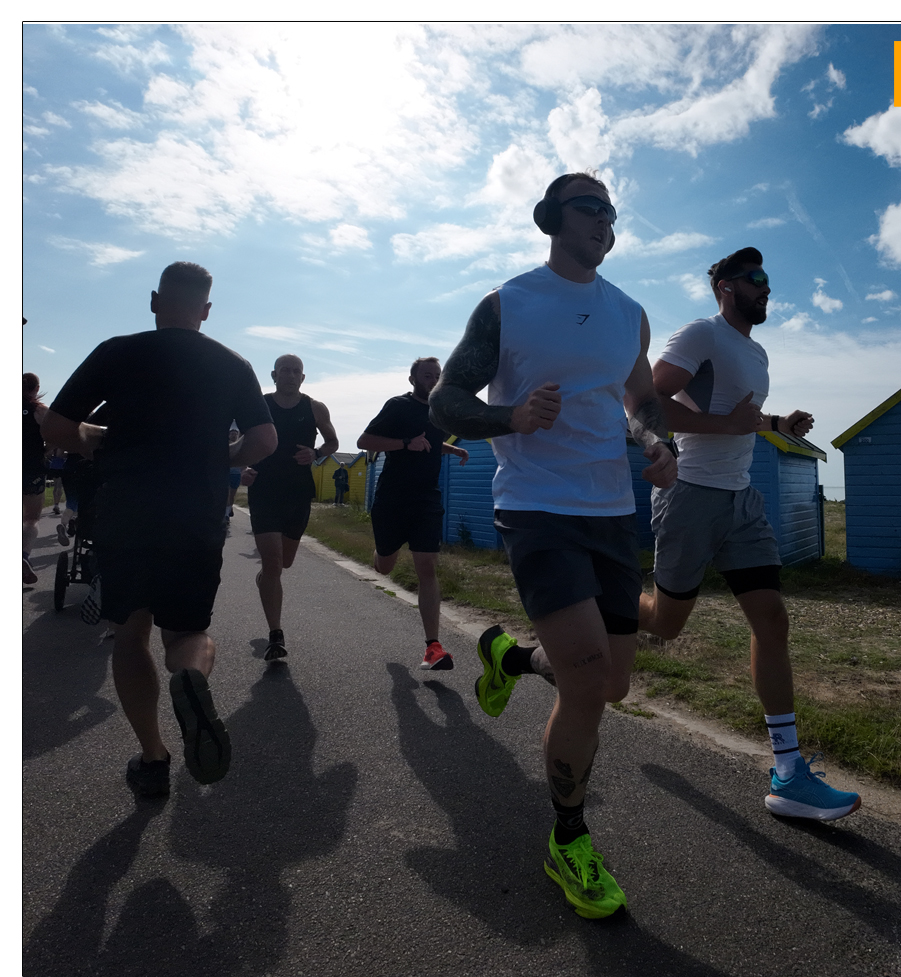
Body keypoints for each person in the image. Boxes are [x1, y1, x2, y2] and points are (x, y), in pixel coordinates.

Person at [429, 173, 678, 920]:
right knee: (590, 679)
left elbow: (637, 400)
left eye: (612, 210)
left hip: (611, 511)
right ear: (551, 219)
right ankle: (569, 841)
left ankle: (511, 657)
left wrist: (656, 441)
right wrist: (510, 418)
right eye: (589, 207)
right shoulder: (508, 304)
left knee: (612, 685)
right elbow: (445, 404)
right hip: (536, 508)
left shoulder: (628, 314)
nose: (605, 220)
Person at [641, 246, 861, 822]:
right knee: (666, 626)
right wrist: (726, 424)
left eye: (768, 279)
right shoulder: (701, 335)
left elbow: (741, 417)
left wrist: (777, 424)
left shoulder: (756, 352)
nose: (766, 289)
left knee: (772, 618)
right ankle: (606, 597)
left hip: (741, 500)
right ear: (725, 286)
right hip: (689, 495)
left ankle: (788, 773)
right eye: (755, 279)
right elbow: (645, 405)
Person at [41, 262, 277, 798]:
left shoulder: (116, 352)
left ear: (155, 300)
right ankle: (188, 677)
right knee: (188, 633)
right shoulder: (230, 362)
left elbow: (56, 427)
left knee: (131, 633)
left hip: (126, 510)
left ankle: (152, 759)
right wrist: (227, 455)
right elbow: (263, 441)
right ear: (206, 310)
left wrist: (98, 441)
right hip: (195, 511)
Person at [358, 358, 470, 672]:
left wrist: (453, 449)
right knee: (385, 566)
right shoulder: (397, 406)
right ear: (413, 378)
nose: (433, 379)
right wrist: (406, 443)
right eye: (427, 375)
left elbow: (431, 443)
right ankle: (381, 551)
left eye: (437, 375)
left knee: (427, 566)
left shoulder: (439, 412)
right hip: (393, 498)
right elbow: (364, 441)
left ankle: (432, 648)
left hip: (426, 499)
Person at [242, 354, 339, 662]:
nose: (290, 375)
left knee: (284, 564)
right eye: (285, 370)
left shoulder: (314, 407)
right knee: (272, 563)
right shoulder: (259, 404)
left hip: (297, 491)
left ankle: (266, 580)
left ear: (303, 377)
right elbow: (239, 439)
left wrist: (315, 452)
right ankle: (276, 635)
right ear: (274, 374)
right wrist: (242, 467)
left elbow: (333, 442)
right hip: (264, 488)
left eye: (296, 370)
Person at [23, 372, 48, 584]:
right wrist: (46, 453)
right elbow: (56, 436)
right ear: (36, 388)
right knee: (31, 519)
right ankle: (23, 555)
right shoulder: (39, 410)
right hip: (31, 468)